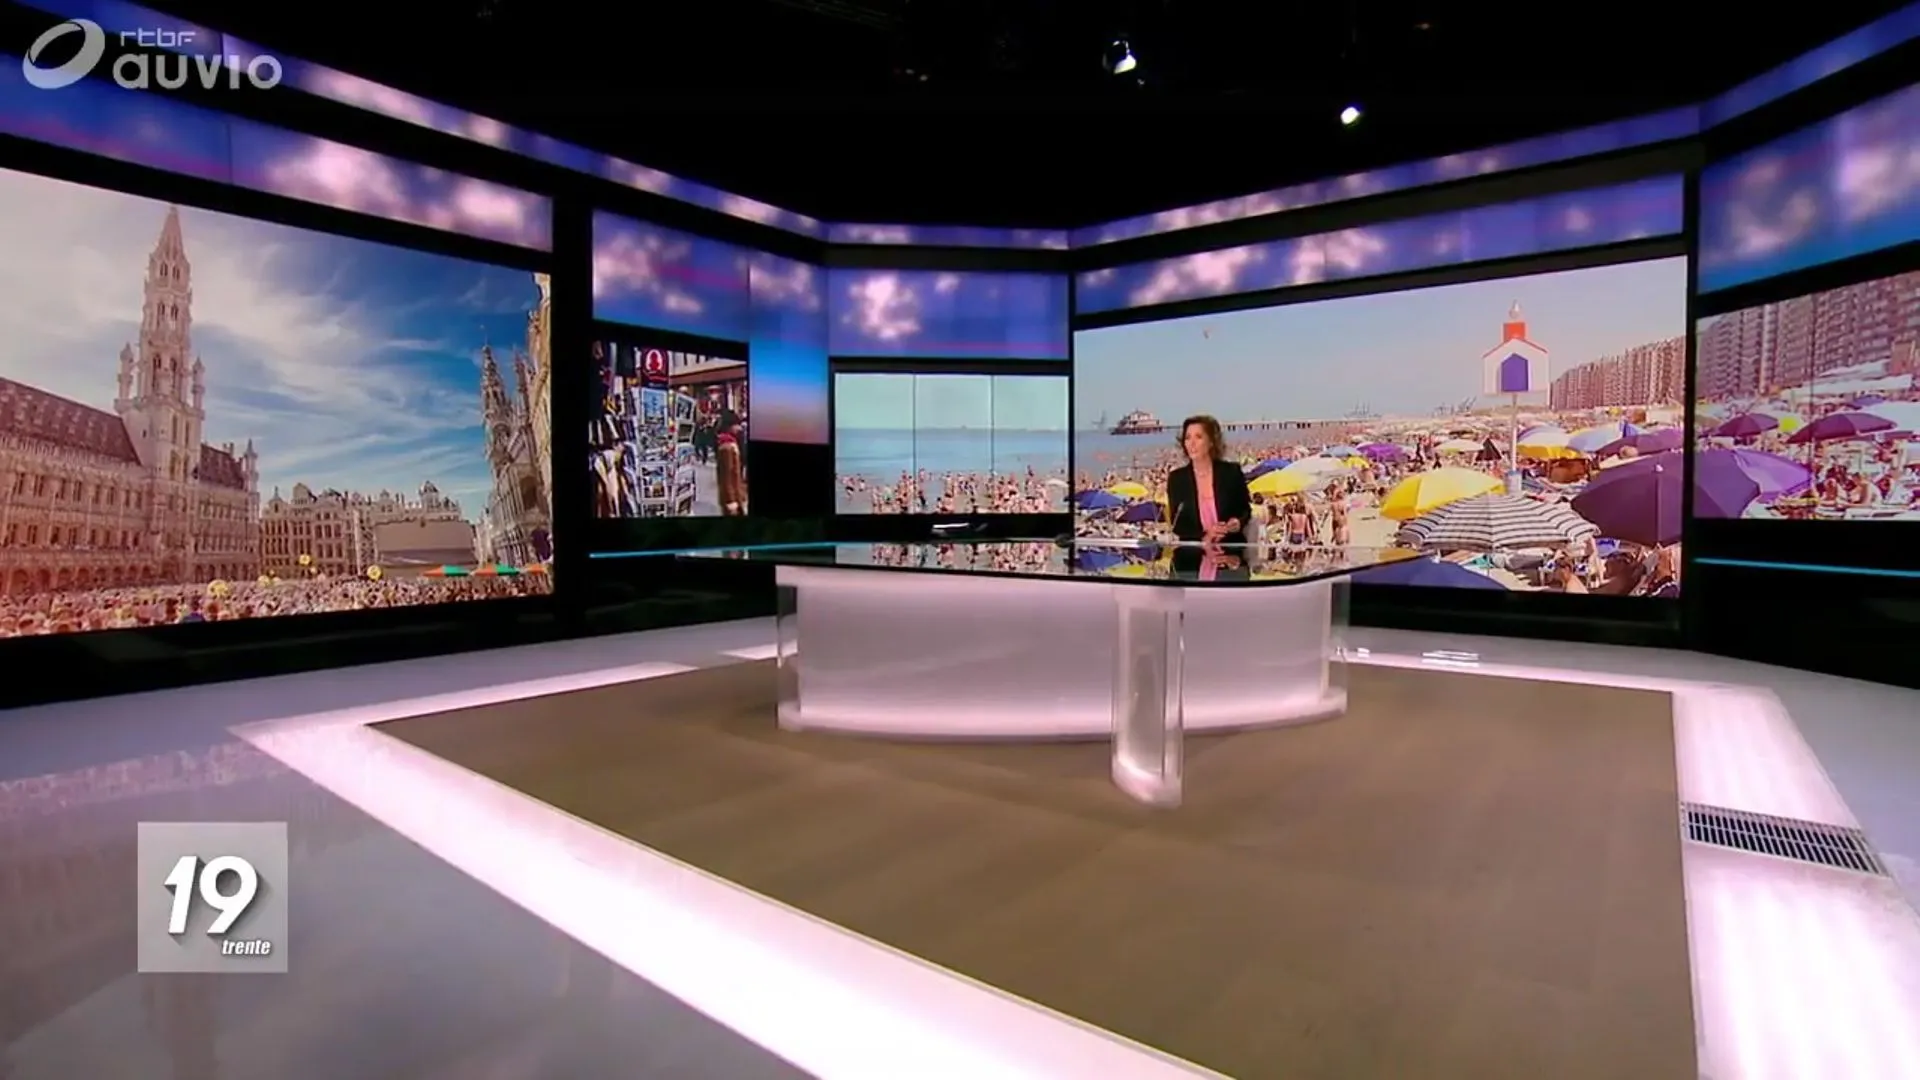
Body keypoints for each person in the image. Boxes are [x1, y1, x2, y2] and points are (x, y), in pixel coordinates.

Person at [1164, 415, 1253, 547]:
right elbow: (1178, 525)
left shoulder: (1231, 472)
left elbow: (1245, 510)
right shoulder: (1177, 479)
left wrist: (1237, 522)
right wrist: (1205, 534)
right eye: (1187, 438)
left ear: (1211, 442)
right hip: (1194, 551)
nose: (1192, 443)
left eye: (1198, 437)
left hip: (1230, 549)